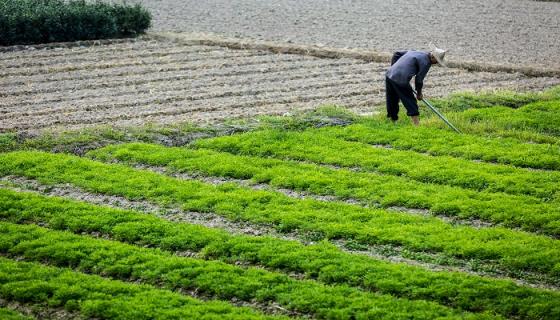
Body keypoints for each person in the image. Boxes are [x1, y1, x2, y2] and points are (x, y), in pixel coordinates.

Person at [385, 44, 447, 125]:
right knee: (410, 101)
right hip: (401, 80)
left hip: (389, 74)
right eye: (437, 61)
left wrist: (394, 68)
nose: (436, 63)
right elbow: (419, 80)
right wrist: (419, 93)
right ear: (433, 57)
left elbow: (396, 54)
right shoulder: (426, 63)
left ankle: (393, 122)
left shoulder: (416, 52)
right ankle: (416, 125)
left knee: (392, 99)